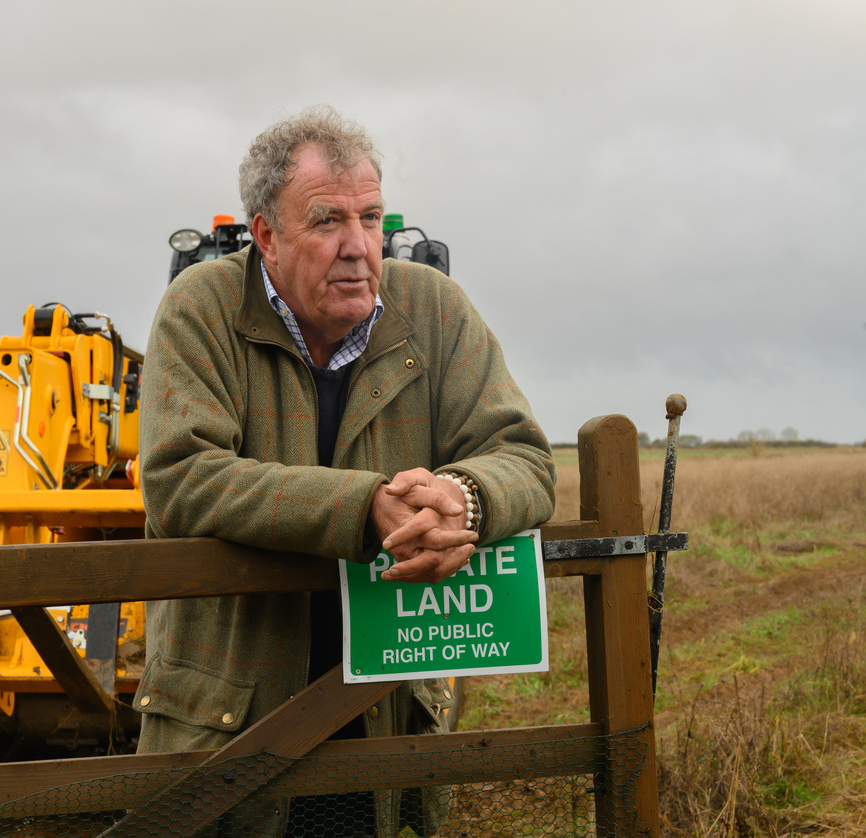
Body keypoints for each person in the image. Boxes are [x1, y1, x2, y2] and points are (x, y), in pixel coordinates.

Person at [133, 106, 556, 836]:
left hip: (381, 717)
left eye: (372, 218)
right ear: (266, 235)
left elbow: (523, 456)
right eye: (328, 221)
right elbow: (183, 476)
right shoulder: (201, 309)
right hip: (230, 719)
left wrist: (464, 500)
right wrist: (366, 509)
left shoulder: (434, 309)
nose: (359, 246)